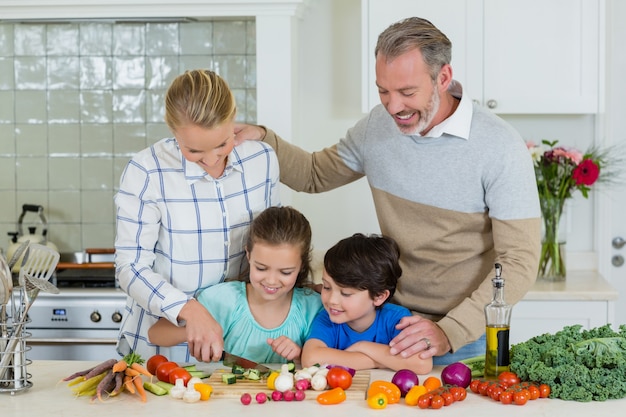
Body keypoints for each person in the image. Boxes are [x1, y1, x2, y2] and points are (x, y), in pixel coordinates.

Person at [234, 17, 541, 365]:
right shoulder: (376, 128)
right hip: (387, 324)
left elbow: (519, 260)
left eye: (407, 92)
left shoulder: (499, 147)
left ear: (443, 77)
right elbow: (314, 174)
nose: (393, 107)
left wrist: (450, 330)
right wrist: (262, 136)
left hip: (463, 336)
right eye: (383, 91)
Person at [114, 69, 280, 364]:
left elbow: (273, 245)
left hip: (239, 348)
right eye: (193, 150)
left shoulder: (262, 160)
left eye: (222, 144)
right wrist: (190, 310)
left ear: (233, 121)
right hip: (162, 353)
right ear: (172, 130)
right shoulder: (146, 171)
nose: (211, 159)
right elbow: (130, 267)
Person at [148, 206, 323, 364]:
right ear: (248, 255)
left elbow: (329, 361)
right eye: (261, 268)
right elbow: (155, 334)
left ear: (301, 265)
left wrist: (299, 355)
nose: (271, 280)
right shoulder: (224, 299)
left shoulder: (313, 307)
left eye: (285, 272)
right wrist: (197, 330)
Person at [301, 233, 433, 374]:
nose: (332, 300)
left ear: (378, 296)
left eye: (346, 293)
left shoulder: (398, 319)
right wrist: (381, 360)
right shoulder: (327, 318)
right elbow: (310, 359)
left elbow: (422, 363)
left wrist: (363, 346)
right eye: (326, 287)